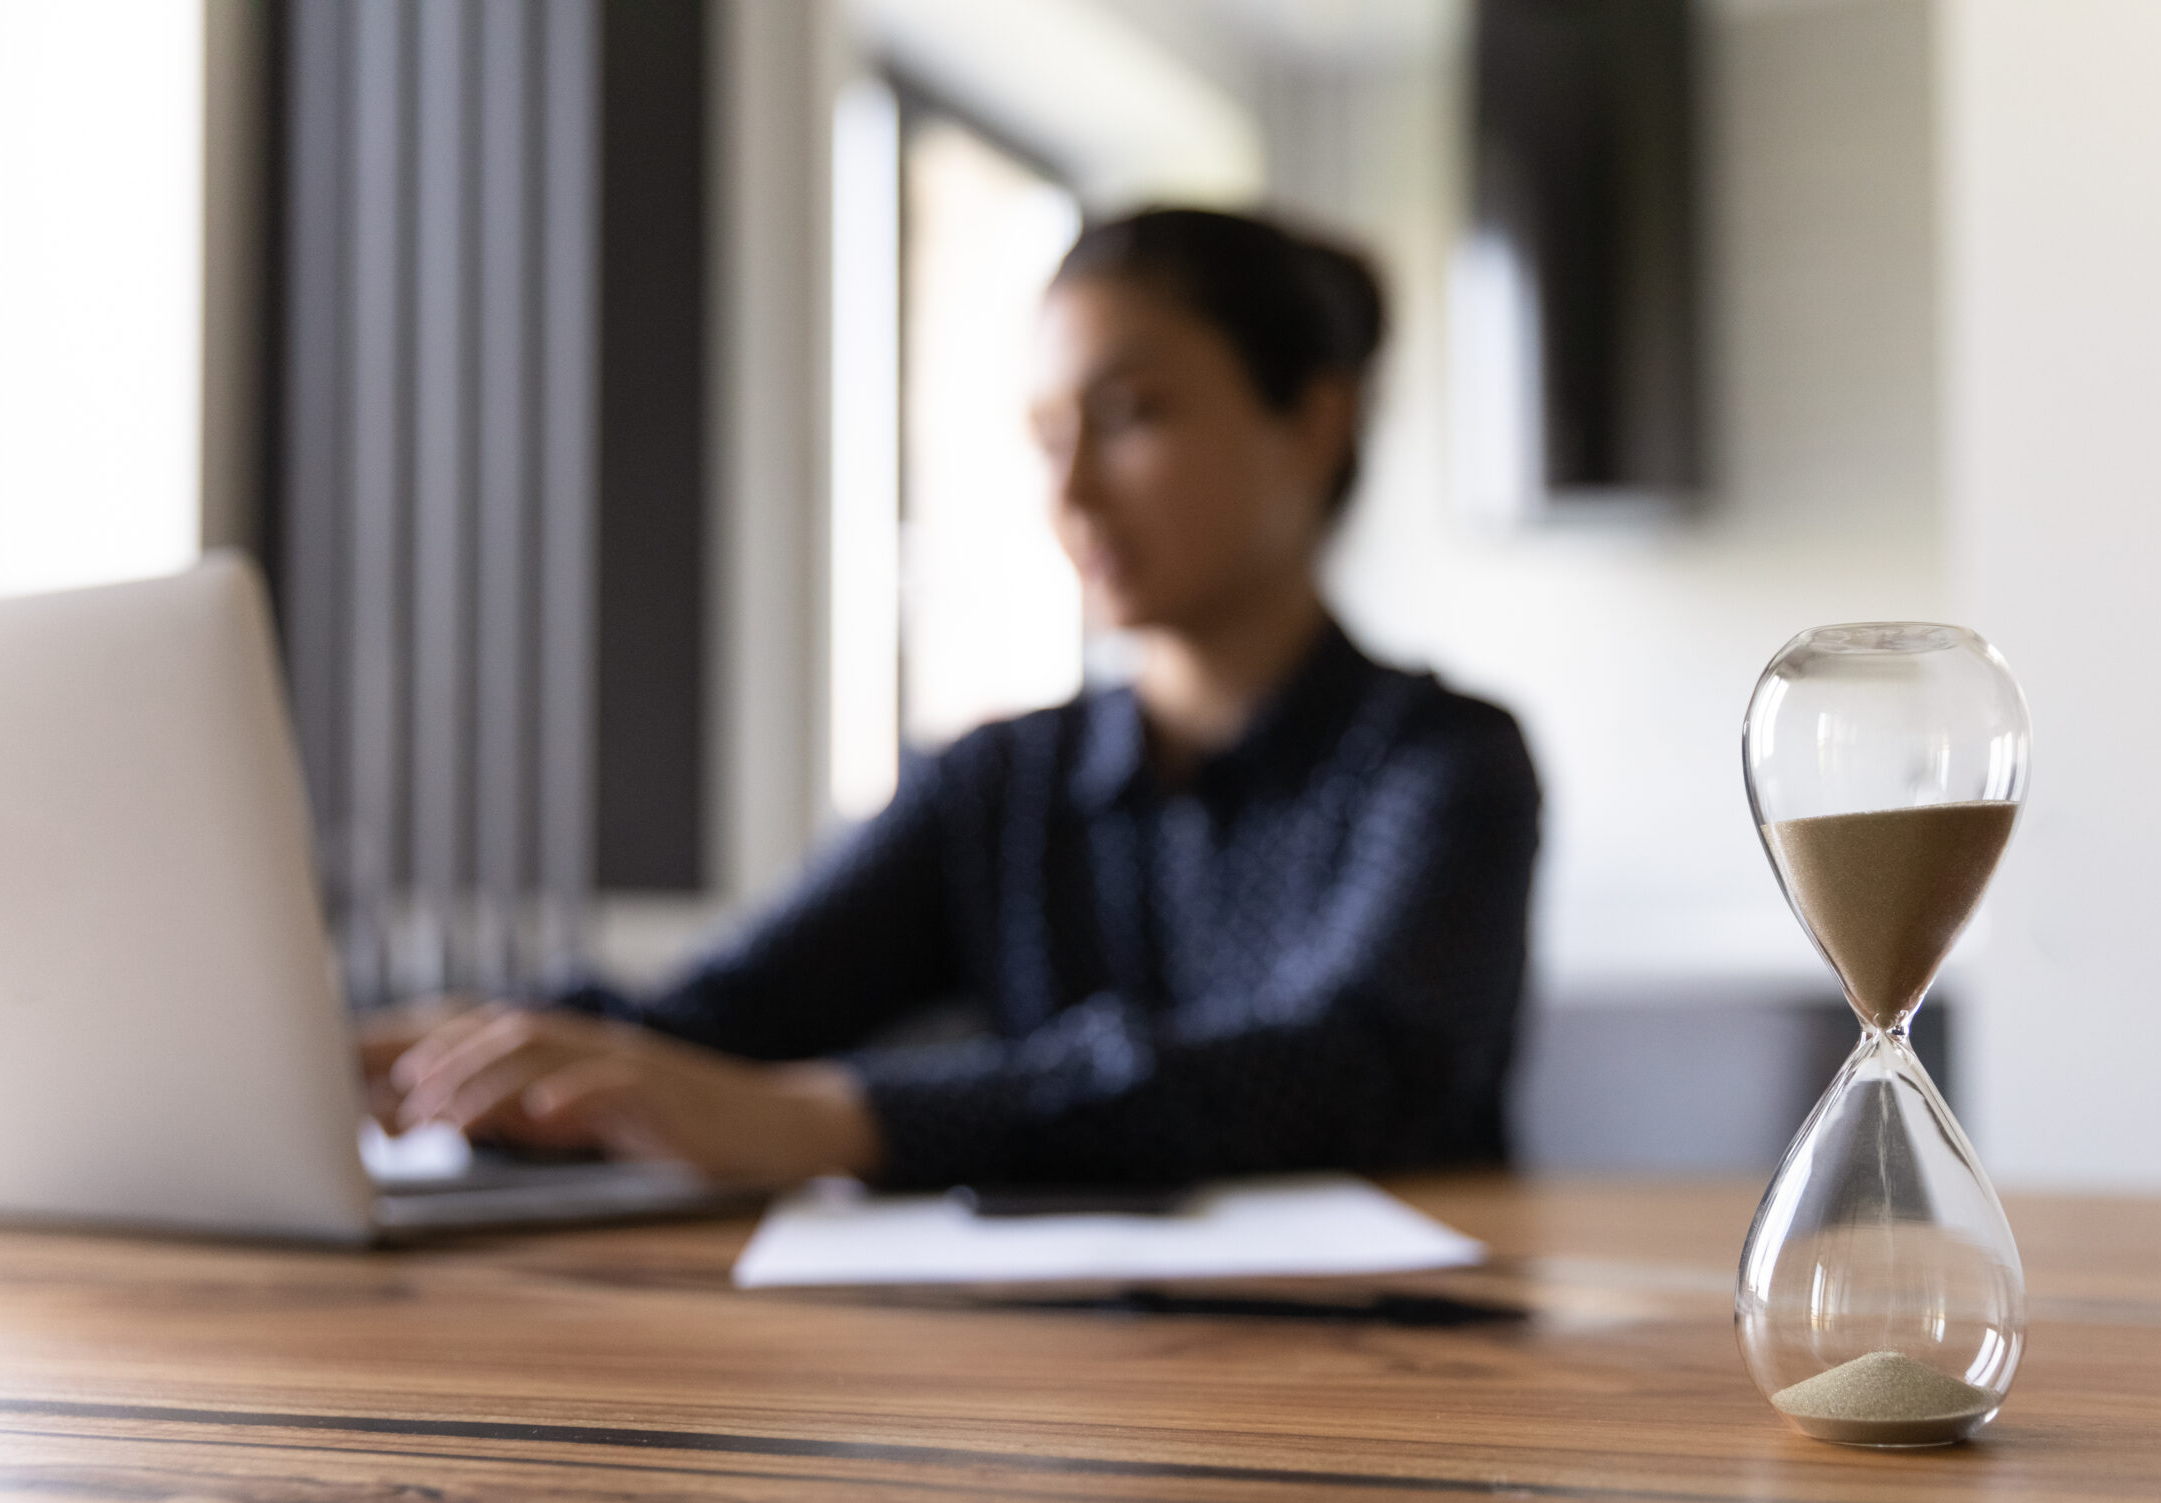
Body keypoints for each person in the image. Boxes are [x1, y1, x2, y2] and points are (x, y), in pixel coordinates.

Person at [367, 208, 1541, 1193]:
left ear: (1313, 422)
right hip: (1072, 1395)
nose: (1071, 490)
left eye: (1130, 415)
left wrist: (837, 1119)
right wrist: (450, 1048)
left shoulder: (1445, 763)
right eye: (1046, 438)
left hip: (1397, 1382)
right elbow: (726, 1018)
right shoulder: (996, 785)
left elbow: (1356, 1064)